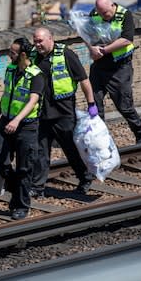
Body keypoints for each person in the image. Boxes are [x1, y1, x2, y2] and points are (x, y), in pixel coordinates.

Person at [31, 27, 97, 195]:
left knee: (71, 148)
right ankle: (38, 187)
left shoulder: (66, 54)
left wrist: (91, 104)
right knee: (40, 152)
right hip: (41, 113)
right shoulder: (33, 57)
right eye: (35, 41)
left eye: (40, 41)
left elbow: (83, 80)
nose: (37, 44)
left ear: (50, 39)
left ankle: (85, 178)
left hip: (63, 112)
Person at [0, 37, 45, 220]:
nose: (8, 55)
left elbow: (32, 100)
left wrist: (18, 120)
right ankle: (19, 189)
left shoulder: (36, 75)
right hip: (6, 121)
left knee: (24, 167)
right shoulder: (11, 70)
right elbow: (7, 95)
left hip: (26, 126)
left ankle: (20, 205)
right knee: (0, 160)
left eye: (12, 52)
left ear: (22, 54)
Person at [86, 0, 141, 144]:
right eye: (100, 13)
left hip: (119, 68)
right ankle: (100, 140)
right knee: (94, 105)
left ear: (112, 5)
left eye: (105, 13)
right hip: (99, 68)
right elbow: (87, 34)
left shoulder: (125, 15)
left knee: (124, 106)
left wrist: (104, 50)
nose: (103, 16)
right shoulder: (94, 14)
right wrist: (91, 48)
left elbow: (126, 39)